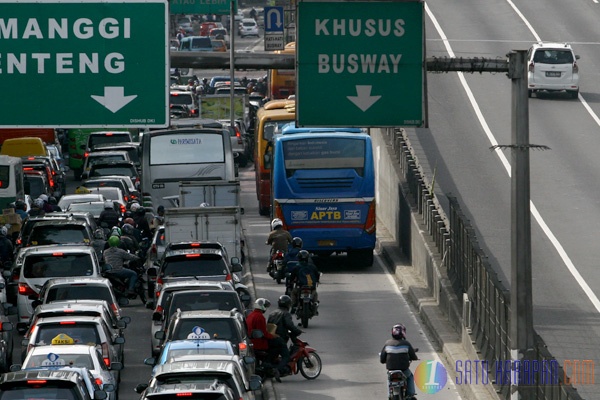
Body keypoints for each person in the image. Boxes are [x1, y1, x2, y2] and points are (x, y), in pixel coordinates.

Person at [246, 298, 285, 382]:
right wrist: (274, 336)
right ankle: (270, 367)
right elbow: (263, 333)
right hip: (259, 344)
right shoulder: (260, 317)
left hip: (252, 342)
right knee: (277, 347)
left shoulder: (251, 315)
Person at [380, 324, 419, 399]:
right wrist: (414, 358)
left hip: (391, 370)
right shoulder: (406, 344)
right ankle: (410, 394)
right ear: (403, 333)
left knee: (389, 379)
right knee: (410, 376)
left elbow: (382, 359)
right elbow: (413, 356)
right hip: (404, 370)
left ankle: (389, 394)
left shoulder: (387, 344)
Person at [267, 295, 303, 376]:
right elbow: (289, 325)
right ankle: (277, 370)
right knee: (286, 357)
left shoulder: (272, 313)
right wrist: (297, 331)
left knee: (272, 356)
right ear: (288, 304)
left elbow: (269, 325)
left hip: (270, 338)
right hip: (280, 339)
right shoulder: (286, 314)